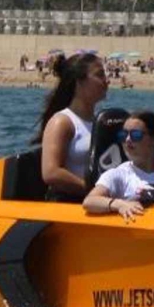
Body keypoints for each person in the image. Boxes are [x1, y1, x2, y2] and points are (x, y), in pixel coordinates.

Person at [34, 53, 109, 200]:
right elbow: (51, 173)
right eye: (100, 75)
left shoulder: (100, 122)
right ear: (79, 81)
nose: (107, 81)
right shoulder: (62, 122)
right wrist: (93, 191)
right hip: (70, 203)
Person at [83, 111, 154, 222]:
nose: (127, 140)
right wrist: (119, 204)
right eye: (123, 135)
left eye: (136, 135)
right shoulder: (119, 174)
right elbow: (89, 201)